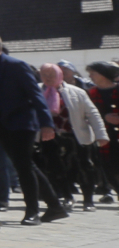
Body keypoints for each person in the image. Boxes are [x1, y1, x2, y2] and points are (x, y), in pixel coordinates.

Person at [0, 30, 68, 224]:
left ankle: (32, 211)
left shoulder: (17, 66)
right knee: (25, 165)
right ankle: (55, 206)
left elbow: (36, 96)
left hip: (22, 124)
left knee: (23, 166)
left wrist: (46, 124)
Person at [37, 63, 109, 211]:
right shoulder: (36, 91)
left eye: (51, 74)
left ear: (60, 74)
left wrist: (101, 135)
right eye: (44, 74)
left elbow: (92, 114)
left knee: (85, 167)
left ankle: (88, 201)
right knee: (55, 168)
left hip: (76, 135)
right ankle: (67, 197)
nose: (48, 77)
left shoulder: (77, 92)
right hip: (50, 136)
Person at [85, 62, 119, 199]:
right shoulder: (90, 93)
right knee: (108, 168)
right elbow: (86, 114)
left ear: (104, 75)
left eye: (93, 73)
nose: (90, 76)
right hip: (104, 136)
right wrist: (105, 118)